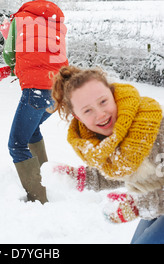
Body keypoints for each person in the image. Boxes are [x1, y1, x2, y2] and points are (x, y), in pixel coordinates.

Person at [50, 65, 164, 244]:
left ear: (113, 95)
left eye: (103, 102)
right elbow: (126, 169)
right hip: (153, 197)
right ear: (78, 117)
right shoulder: (106, 140)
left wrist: (136, 206)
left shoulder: (153, 126)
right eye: (88, 110)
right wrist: (84, 177)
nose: (101, 114)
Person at [0, 0, 68, 204]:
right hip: (60, 89)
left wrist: (8, 37)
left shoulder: (20, 18)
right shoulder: (56, 23)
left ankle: (38, 198)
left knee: (16, 144)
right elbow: (46, 58)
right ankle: (45, 178)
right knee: (32, 131)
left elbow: (10, 56)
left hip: (37, 91)